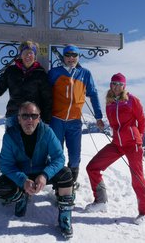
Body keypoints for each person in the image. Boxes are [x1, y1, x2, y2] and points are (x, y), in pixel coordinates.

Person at [0, 101, 75, 238]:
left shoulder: (47, 132)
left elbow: (59, 158)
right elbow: (6, 165)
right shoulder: (10, 136)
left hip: (41, 170)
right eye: (25, 116)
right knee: (2, 188)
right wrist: (23, 180)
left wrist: (45, 175)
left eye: (33, 116)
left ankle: (65, 218)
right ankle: (22, 196)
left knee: (66, 174)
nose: (29, 120)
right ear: (18, 118)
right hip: (22, 173)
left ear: (39, 118)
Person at [85, 73, 145, 224]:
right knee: (93, 167)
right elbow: (115, 124)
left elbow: (141, 120)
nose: (116, 86)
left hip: (132, 144)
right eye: (113, 83)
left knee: (137, 178)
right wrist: (102, 125)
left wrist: (138, 138)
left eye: (119, 84)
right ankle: (101, 202)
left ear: (124, 86)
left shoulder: (132, 100)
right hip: (117, 144)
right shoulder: (109, 103)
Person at [48, 44, 104, 188]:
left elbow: (93, 94)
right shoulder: (54, 72)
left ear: (78, 57)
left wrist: (98, 116)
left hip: (74, 121)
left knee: (75, 156)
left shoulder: (84, 73)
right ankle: (58, 184)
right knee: (56, 154)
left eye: (74, 55)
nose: (71, 58)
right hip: (56, 120)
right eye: (68, 55)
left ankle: (71, 183)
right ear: (64, 57)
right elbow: (45, 94)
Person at [0, 41, 52, 127]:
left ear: (35, 56)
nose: (28, 56)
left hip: (32, 117)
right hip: (14, 115)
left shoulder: (40, 73)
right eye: (25, 53)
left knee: (31, 141)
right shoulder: (11, 71)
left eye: (31, 53)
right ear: (21, 55)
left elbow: (47, 98)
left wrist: (46, 120)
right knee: (11, 140)